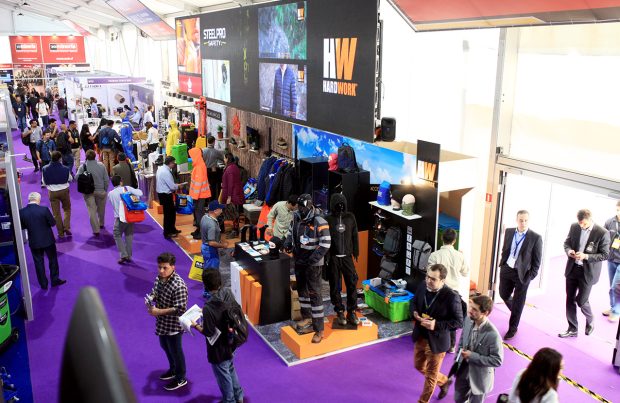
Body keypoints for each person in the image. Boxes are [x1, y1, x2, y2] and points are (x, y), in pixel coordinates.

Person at [410, 263, 463, 403]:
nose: (428, 280)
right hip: (421, 336)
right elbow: (414, 302)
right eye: (427, 276)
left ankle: (423, 401)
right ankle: (444, 381)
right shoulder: (423, 285)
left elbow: (459, 322)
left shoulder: (451, 297)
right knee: (418, 366)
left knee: (430, 376)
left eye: (433, 279)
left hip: (437, 342)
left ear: (442, 281)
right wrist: (414, 313)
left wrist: (437, 325)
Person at [191, 270, 244, 403]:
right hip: (232, 342)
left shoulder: (209, 307)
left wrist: (195, 326)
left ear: (205, 285)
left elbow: (208, 332)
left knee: (223, 376)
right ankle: (239, 396)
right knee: (230, 368)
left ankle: (229, 400)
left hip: (219, 348)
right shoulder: (227, 292)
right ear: (220, 281)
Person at [284, 194, 331, 343]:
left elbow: (326, 243)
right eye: (299, 206)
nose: (300, 209)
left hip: (313, 264)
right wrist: (288, 242)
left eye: (303, 207)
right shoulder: (296, 217)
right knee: (302, 291)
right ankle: (307, 317)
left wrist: (313, 259)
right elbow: (290, 232)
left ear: (310, 206)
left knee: (315, 295)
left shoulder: (320, 221)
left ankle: (319, 330)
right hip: (299, 260)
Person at [440, 295, 503, 402]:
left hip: (480, 378)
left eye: (475, 309)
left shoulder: (493, 335)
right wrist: (457, 361)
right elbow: (462, 342)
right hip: (463, 370)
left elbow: (497, 360)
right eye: (471, 307)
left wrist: (472, 356)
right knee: (458, 399)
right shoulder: (468, 320)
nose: (470, 311)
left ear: (485, 313)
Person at [559, 208, 610, 338]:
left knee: (581, 300)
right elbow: (567, 243)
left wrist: (586, 256)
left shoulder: (602, 233)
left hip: (588, 272)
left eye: (584, 224)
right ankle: (572, 329)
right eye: (580, 223)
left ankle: (590, 318)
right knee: (569, 299)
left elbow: (605, 255)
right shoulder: (574, 226)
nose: (581, 226)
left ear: (590, 219)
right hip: (572, 268)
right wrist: (569, 251)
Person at [497, 210, 543, 340]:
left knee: (518, 301)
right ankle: (516, 311)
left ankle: (513, 328)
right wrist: (503, 263)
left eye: (526, 220)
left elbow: (537, 261)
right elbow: (505, 249)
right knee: (503, 294)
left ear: (529, 221)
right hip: (507, 268)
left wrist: (530, 277)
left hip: (522, 274)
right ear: (516, 220)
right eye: (521, 220)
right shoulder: (509, 231)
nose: (523, 223)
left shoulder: (535, 237)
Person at [146, 252, 188, 391]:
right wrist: (151, 298)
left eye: (165, 268)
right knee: (165, 346)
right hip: (162, 323)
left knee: (176, 351)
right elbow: (155, 292)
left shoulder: (179, 285)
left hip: (174, 326)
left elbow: (180, 309)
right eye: (159, 267)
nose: (161, 271)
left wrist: (158, 311)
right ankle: (173, 369)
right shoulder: (159, 278)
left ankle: (181, 378)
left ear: (173, 267)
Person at [427, 228, 469, 350]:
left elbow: (429, 273)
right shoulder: (460, 256)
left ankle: (437, 344)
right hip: (454, 292)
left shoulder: (434, 255)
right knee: (452, 318)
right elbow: (465, 272)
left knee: (437, 318)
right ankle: (451, 345)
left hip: (438, 291)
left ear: (442, 238)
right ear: (454, 241)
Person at [325, 193, 360, 326]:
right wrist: (327, 256)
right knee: (334, 285)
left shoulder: (350, 217)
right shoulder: (328, 219)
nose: (340, 206)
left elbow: (355, 235)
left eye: (342, 204)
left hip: (347, 257)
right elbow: (325, 238)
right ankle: (339, 311)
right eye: (337, 204)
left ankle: (351, 312)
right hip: (333, 258)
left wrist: (356, 251)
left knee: (352, 283)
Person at [19, 192, 66, 289]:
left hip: (34, 242)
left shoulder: (22, 212)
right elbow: (53, 223)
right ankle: (54, 280)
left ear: (29, 200)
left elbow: (22, 226)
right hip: (48, 240)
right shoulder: (44, 210)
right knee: (52, 260)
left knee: (38, 263)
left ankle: (43, 284)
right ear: (38, 199)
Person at [108, 175, 143, 264]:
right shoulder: (127, 188)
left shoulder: (111, 194)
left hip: (120, 218)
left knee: (117, 234)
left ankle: (124, 255)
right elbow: (140, 193)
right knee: (129, 235)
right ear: (121, 182)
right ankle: (129, 256)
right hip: (130, 216)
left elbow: (111, 203)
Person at [77, 150, 110, 236]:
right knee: (101, 209)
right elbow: (106, 179)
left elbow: (77, 178)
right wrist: (105, 190)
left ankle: (96, 230)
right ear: (95, 156)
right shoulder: (101, 165)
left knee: (92, 211)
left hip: (88, 192)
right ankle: (101, 223)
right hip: (101, 191)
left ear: (86, 157)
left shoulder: (82, 167)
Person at [42, 151, 73, 238]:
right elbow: (70, 179)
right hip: (64, 191)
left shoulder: (45, 168)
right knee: (67, 209)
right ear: (60, 159)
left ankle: (61, 233)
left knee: (56, 213)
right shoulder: (66, 168)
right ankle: (66, 227)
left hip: (52, 193)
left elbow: (44, 182)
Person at [156, 156, 187, 239]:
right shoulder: (166, 172)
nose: (174, 164)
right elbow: (172, 186)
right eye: (173, 162)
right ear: (170, 163)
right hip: (165, 195)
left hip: (162, 193)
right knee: (168, 214)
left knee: (171, 212)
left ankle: (172, 229)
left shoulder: (161, 169)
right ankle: (167, 232)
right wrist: (179, 186)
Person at [220, 152, 244, 238]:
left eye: (224, 158)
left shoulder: (230, 168)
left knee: (234, 214)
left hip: (234, 194)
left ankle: (235, 231)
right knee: (235, 213)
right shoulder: (234, 167)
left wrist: (229, 196)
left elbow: (231, 183)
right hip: (235, 193)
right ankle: (235, 230)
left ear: (227, 159)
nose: (223, 159)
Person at [189, 147, 211, 239]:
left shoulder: (199, 167)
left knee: (199, 214)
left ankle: (201, 233)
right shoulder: (199, 165)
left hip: (199, 195)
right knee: (198, 213)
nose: (191, 158)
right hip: (200, 194)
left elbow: (198, 184)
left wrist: (194, 196)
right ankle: (199, 230)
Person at [200, 201, 229, 272]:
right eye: (220, 209)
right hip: (210, 250)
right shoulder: (212, 225)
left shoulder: (204, 217)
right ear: (215, 211)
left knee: (207, 267)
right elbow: (211, 243)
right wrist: (223, 245)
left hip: (204, 247)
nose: (221, 210)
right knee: (212, 271)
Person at [603, 200, 620, 321]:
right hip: (611, 258)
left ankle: (616, 311)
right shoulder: (610, 222)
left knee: (616, 287)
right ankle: (613, 307)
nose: (619, 212)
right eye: (618, 210)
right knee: (611, 286)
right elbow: (602, 238)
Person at [202, 136, 225, 200]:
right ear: (214, 142)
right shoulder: (216, 152)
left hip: (204, 171)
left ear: (207, 141)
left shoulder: (203, 151)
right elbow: (223, 159)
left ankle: (206, 201)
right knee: (213, 186)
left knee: (205, 186)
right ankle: (213, 200)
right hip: (213, 171)